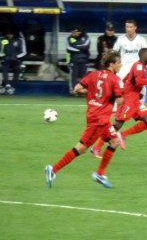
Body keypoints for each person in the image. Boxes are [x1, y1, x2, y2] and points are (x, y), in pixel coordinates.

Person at [45, 52, 124, 189]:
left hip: (96, 116)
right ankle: (52, 170)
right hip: (99, 120)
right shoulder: (115, 80)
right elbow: (120, 101)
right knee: (81, 149)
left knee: (115, 141)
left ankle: (100, 174)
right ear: (111, 64)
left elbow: (77, 89)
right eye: (119, 62)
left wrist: (92, 94)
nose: (121, 65)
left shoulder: (93, 75)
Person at [91, 48, 147, 158]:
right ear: (143, 56)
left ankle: (123, 135)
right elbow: (138, 81)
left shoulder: (141, 66)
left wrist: (132, 90)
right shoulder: (138, 66)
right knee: (117, 125)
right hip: (128, 100)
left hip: (134, 99)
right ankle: (96, 147)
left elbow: (128, 77)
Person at [0, 28, 26, 95]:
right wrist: (2, 56)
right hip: (5, 59)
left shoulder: (19, 40)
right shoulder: (1, 39)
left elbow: (24, 52)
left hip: (16, 59)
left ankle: (13, 87)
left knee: (18, 69)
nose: (9, 35)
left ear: (13, 34)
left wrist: (17, 57)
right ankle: (7, 85)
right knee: (4, 68)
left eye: (11, 34)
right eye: (8, 34)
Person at [66, 26, 91, 94]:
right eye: (72, 31)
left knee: (84, 77)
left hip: (84, 60)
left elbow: (86, 46)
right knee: (73, 76)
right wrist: (80, 49)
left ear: (79, 32)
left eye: (75, 31)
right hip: (73, 60)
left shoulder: (86, 37)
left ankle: (83, 91)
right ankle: (73, 91)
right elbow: (68, 48)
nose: (73, 33)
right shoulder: (69, 38)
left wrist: (75, 46)